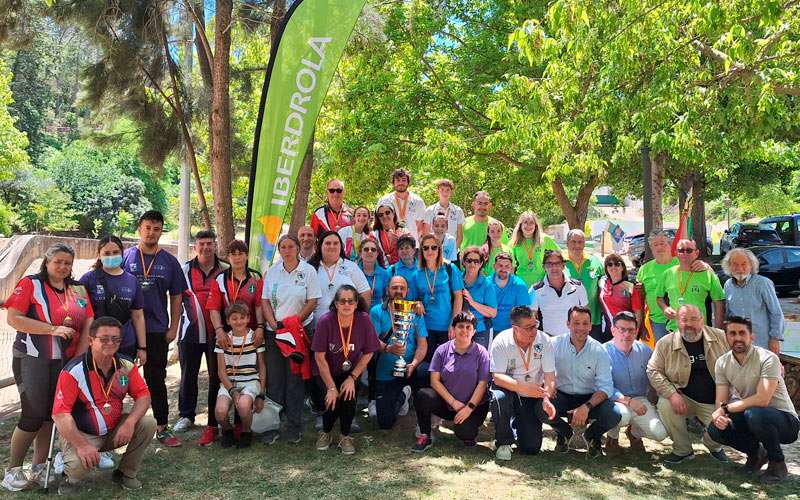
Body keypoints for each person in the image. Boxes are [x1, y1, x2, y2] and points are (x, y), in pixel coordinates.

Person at [2, 243, 95, 492]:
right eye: (58, 262)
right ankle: (12, 470)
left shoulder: (77, 289)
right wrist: (52, 329)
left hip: (65, 360)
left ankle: (39, 466)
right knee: (32, 415)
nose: (63, 267)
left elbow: (88, 320)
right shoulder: (30, 284)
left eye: (68, 263)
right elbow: (13, 318)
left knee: (51, 415)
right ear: (47, 262)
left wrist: (81, 355)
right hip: (33, 357)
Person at [51, 317, 156, 495]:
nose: (110, 343)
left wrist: (130, 423)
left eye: (116, 339)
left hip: (113, 430)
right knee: (78, 467)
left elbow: (144, 396)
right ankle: (67, 472)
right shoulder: (73, 371)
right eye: (104, 339)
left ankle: (125, 473)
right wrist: (82, 445)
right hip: (83, 434)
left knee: (148, 423)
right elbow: (60, 415)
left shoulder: (126, 365)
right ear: (91, 340)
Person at [122, 210, 186, 447]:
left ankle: (162, 427)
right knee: (118, 381)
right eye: (147, 227)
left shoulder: (169, 262)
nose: (151, 232)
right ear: (139, 229)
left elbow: (177, 296)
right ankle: (113, 431)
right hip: (126, 331)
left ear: (161, 231)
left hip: (157, 331)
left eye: (156, 228)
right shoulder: (125, 257)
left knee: (156, 380)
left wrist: (173, 328)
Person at [708, 316, 799, 481]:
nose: (737, 338)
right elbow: (721, 400)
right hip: (753, 415)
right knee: (715, 428)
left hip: (785, 421)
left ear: (752, 336)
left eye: (742, 333)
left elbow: (763, 399)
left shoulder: (768, 358)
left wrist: (726, 409)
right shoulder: (722, 363)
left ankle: (777, 464)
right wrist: (721, 416)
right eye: (732, 333)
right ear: (726, 336)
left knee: (754, 413)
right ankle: (756, 454)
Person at [646, 304, 729, 464]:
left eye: (694, 319)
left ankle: (714, 446)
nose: (689, 324)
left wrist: (769, 360)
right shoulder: (665, 343)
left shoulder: (721, 337)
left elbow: (744, 353)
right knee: (665, 404)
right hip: (684, 399)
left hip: (715, 402)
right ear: (677, 321)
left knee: (727, 427)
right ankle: (682, 450)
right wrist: (672, 394)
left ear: (702, 320)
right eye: (684, 320)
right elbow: (653, 370)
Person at [202, 239, 264, 446]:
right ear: (228, 257)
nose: (237, 257)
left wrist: (261, 328)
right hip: (225, 334)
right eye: (233, 254)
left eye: (241, 253)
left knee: (249, 371)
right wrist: (219, 330)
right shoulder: (220, 279)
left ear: (246, 255)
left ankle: (243, 426)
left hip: (250, 333)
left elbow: (258, 307)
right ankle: (217, 426)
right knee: (218, 376)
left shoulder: (255, 277)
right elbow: (212, 308)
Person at [261, 234, 321, 444]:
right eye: (283, 247)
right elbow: (265, 301)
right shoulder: (273, 271)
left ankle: (294, 427)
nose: (287, 250)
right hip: (274, 333)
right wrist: (274, 324)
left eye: (290, 246)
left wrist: (293, 323)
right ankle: (272, 426)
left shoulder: (308, 271)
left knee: (295, 381)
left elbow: (312, 301)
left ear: (297, 248)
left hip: (298, 333)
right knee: (275, 381)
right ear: (279, 250)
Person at [538, 306, 621, 457]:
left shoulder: (599, 350)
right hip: (561, 395)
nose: (581, 328)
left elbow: (606, 387)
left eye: (585, 323)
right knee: (540, 408)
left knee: (614, 414)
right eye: (576, 323)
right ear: (567, 324)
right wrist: (548, 384)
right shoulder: (553, 344)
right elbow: (540, 370)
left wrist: (586, 407)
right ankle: (564, 432)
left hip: (589, 397)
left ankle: (592, 436)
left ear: (590, 325)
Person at [174, 230, 229, 441]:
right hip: (190, 332)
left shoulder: (225, 269)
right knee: (189, 375)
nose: (205, 247)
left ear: (215, 245)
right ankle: (186, 415)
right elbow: (177, 300)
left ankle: (214, 420)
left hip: (218, 332)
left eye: (209, 243)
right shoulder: (184, 270)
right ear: (195, 247)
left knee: (217, 376)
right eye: (201, 244)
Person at [313, 285, 381, 455]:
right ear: (336, 304)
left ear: (356, 303)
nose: (346, 304)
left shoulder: (364, 320)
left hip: (349, 370)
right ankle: (326, 432)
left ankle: (345, 436)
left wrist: (352, 377)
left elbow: (369, 352)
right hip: (325, 370)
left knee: (349, 395)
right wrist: (330, 387)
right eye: (342, 301)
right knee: (332, 400)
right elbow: (319, 358)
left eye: (350, 301)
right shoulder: (325, 321)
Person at [412, 312, 490, 452]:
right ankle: (425, 434)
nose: (464, 330)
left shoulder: (482, 352)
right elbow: (434, 381)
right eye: (460, 326)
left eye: (468, 327)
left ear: (474, 331)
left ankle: (468, 431)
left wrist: (468, 408)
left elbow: (482, 384)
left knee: (466, 433)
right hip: (449, 404)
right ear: (453, 329)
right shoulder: (442, 350)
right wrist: (454, 402)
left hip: (473, 407)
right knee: (423, 395)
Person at [490, 306, 557, 461]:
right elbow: (497, 377)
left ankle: (517, 425)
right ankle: (503, 442)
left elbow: (549, 375)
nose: (534, 331)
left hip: (532, 394)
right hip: (508, 389)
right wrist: (522, 387)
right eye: (529, 328)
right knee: (499, 398)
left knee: (531, 448)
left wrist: (546, 398)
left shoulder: (543, 340)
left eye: (536, 325)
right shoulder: (501, 341)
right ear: (515, 328)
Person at [603, 312, 667, 456]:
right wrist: (628, 401)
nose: (627, 334)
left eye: (631, 330)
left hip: (640, 399)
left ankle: (634, 433)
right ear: (613, 330)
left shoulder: (645, 351)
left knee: (660, 434)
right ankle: (612, 438)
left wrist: (653, 397)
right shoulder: (602, 352)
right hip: (613, 400)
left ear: (636, 331)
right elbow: (603, 386)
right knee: (622, 415)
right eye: (622, 329)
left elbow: (655, 375)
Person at [370, 276, 428, 429]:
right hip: (386, 370)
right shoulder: (377, 311)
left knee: (425, 371)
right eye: (394, 287)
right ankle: (403, 395)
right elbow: (371, 341)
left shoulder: (415, 311)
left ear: (407, 291)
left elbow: (422, 345)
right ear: (388, 290)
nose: (398, 291)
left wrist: (414, 364)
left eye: (402, 288)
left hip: (409, 368)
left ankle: (422, 415)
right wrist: (388, 348)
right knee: (385, 423)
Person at [79, 235, 146, 362]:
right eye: (107, 253)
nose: (111, 256)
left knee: (122, 381)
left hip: (125, 344)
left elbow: (138, 316)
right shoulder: (88, 279)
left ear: (122, 252)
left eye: (115, 252)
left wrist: (143, 348)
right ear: (99, 255)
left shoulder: (132, 281)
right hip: (97, 345)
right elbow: (79, 310)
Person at [638, 230, 710, 341]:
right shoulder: (644, 270)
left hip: (685, 321)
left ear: (670, 245)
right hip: (658, 322)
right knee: (665, 355)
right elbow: (640, 298)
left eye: (662, 243)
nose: (659, 247)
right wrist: (642, 325)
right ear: (651, 248)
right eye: (655, 245)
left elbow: (707, 275)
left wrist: (705, 265)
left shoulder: (683, 261)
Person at [214, 303, 267, 449]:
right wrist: (232, 390)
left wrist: (261, 394)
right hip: (230, 383)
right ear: (227, 321)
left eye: (242, 318)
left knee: (243, 406)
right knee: (220, 411)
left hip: (250, 381)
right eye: (234, 318)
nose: (239, 322)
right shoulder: (223, 340)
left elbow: (262, 366)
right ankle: (227, 430)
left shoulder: (255, 337)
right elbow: (221, 371)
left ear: (249, 318)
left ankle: (246, 431)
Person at [721, 248, 784, 354]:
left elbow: (776, 313)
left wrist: (775, 339)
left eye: (744, 264)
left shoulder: (763, 283)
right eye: (735, 264)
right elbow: (728, 315)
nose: (740, 268)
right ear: (729, 266)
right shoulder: (728, 285)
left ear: (751, 265)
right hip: (738, 344)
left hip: (762, 344)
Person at [413, 234, 465, 359]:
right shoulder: (417, 274)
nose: (430, 251)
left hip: (447, 327)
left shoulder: (449, 268)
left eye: (433, 247)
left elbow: (458, 297)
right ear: (421, 251)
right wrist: (417, 304)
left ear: (439, 249)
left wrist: (454, 323)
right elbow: (414, 299)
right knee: (429, 365)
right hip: (425, 328)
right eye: (426, 248)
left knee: (447, 365)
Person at [656, 239, 725, 331]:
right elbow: (659, 298)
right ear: (676, 253)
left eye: (689, 250)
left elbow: (719, 302)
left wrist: (718, 330)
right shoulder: (668, 273)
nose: (685, 253)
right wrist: (665, 308)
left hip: (699, 329)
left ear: (696, 253)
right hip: (674, 329)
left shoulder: (707, 274)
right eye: (681, 250)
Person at [309, 231, 371, 322]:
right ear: (320, 246)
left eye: (335, 243)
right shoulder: (310, 268)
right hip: (316, 326)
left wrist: (360, 319)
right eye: (328, 243)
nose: (332, 246)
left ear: (341, 246)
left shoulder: (351, 266)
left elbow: (365, 292)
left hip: (347, 325)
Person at [530, 250, 588, 337]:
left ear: (563, 266)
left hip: (574, 339)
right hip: (549, 341)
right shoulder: (535, 290)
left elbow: (586, 315)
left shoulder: (578, 286)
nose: (554, 268)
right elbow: (531, 319)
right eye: (549, 264)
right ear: (544, 267)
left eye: (557, 263)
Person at [564, 229, 605, 339]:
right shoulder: (560, 263)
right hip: (568, 321)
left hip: (593, 320)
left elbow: (606, 284)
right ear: (567, 243)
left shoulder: (595, 262)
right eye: (573, 242)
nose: (577, 245)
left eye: (580, 242)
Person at [597, 254, 643, 343]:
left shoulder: (630, 286)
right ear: (606, 268)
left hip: (625, 330)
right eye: (609, 264)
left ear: (622, 267)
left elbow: (638, 312)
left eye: (617, 264)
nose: (613, 267)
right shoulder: (602, 283)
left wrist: (635, 332)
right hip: (608, 328)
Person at [509, 211, 560, 287]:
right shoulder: (513, 242)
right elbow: (509, 267)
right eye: (525, 222)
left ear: (535, 225)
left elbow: (559, 255)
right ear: (520, 225)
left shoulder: (544, 239)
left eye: (531, 223)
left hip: (542, 283)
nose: (528, 226)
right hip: (521, 284)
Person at [461, 246, 497, 349]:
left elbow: (493, 313)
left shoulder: (487, 284)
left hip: (481, 330)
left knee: (480, 363)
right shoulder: (457, 280)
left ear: (481, 263)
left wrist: (472, 302)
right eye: (469, 260)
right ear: (464, 262)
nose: (472, 264)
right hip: (460, 330)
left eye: (476, 261)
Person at [377, 168, 427, 241]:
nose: (401, 183)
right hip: (390, 244)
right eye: (397, 180)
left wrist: (416, 241)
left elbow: (420, 226)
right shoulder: (384, 200)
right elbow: (378, 222)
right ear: (393, 183)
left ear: (408, 182)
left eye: (403, 180)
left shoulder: (418, 201)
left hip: (411, 246)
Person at [488, 252, 530, 333]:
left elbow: (522, 313)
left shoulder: (520, 285)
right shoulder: (486, 284)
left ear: (511, 268)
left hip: (511, 330)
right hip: (489, 330)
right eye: (500, 265)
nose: (503, 269)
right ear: (494, 266)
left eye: (507, 266)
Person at [424, 178, 465, 247]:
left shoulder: (458, 211)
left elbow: (460, 236)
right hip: (434, 250)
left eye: (447, 190)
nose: (445, 193)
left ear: (451, 192)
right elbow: (426, 234)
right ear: (437, 191)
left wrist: (452, 252)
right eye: (442, 190)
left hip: (452, 251)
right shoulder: (430, 210)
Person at [357, 237, 390, 310]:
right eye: (366, 249)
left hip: (377, 315)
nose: (370, 251)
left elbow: (387, 298)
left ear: (377, 254)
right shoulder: (353, 272)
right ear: (360, 253)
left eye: (373, 249)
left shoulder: (384, 274)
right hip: (358, 314)